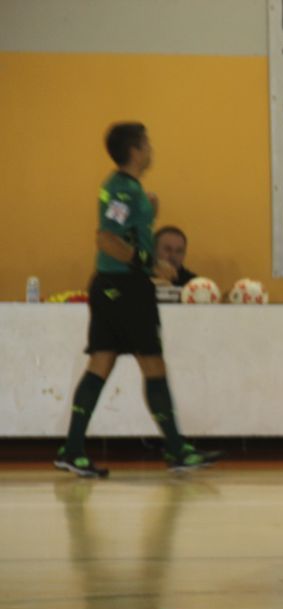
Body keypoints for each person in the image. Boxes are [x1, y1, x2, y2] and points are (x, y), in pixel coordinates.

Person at [55, 122, 220, 478]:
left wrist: (149, 214)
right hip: (125, 288)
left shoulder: (127, 190)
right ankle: (176, 449)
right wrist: (151, 263)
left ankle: (73, 449)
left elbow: (122, 232)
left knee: (101, 362)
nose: (151, 150)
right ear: (135, 150)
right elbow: (106, 239)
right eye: (147, 144)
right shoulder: (121, 190)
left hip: (111, 286)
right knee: (152, 364)